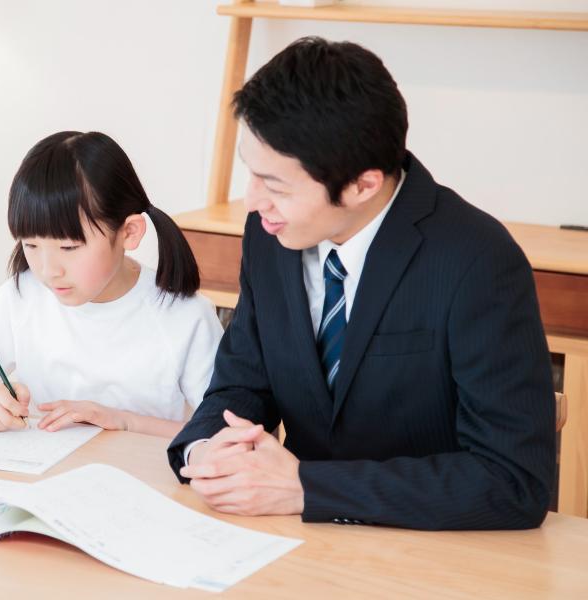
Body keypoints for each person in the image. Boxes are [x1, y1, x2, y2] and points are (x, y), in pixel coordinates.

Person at [169, 37, 555, 529]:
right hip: (291, 542)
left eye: (276, 184)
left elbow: (513, 480)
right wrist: (205, 450)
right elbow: (244, 381)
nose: (252, 201)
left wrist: (308, 488)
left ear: (362, 185)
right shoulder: (271, 233)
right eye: (252, 173)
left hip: (436, 549)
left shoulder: (477, 261)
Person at [0, 131, 223, 438]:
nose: (48, 270)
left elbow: (225, 434)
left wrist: (122, 420)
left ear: (129, 233)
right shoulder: (26, 295)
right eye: (31, 245)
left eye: (68, 248)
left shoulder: (185, 317)